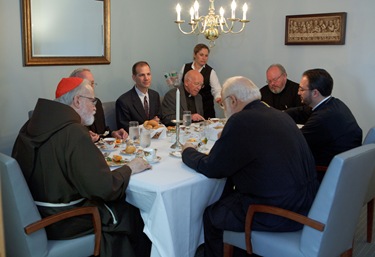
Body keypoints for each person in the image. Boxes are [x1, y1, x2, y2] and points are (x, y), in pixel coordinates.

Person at [12, 77, 152, 257]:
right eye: (92, 100)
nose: (95, 106)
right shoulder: (73, 131)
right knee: (134, 211)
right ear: (77, 100)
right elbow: (104, 189)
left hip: (39, 212)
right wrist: (130, 168)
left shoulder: (32, 124)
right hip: (65, 220)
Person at [181, 76, 319, 257]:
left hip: (276, 212)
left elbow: (212, 167)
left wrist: (188, 151)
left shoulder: (241, 121)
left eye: (224, 105)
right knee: (228, 198)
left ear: (232, 100)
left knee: (212, 215)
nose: (224, 111)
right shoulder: (278, 115)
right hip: (305, 204)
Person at [285, 68, 362, 181]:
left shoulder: (322, 118)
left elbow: (295, 142)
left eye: (302, 89)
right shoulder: (334, 104)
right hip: (349, 170)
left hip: (328, 174)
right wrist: (279, 114)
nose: (298, 92)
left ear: (315, 93)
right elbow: (302, 111)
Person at [70, 68, 128, 142]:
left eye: (92, 83)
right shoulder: (70, 108)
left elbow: (102, 131)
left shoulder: (97, 103)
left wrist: (113, 133)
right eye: (87, 83)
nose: (91, 87)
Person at [116, 61, 162, 132]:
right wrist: (147, 126)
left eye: (148, 74)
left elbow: (160, 118)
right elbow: (124, 128)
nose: (146, 78)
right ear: (134, 78)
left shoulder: (155, 95)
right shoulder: (123, 101)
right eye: (142, 75)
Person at [181, 43, 222, 119]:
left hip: (205, 108)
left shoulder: (211, 72)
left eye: (206, 56)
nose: (204, 58)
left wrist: (219, 98)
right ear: (194, 55)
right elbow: (181, 85)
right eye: (201, 55)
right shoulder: (185, 67)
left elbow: (216, 90)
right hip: (188, 107)